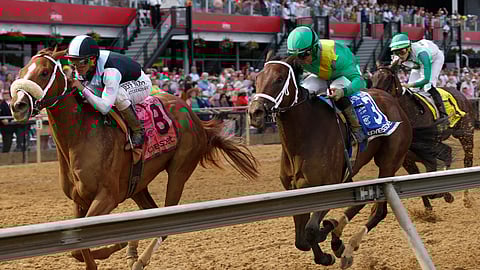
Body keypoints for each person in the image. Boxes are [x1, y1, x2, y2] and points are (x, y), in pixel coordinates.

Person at [66, 35, 152, 149]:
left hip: (140, 83)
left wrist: (82, 89)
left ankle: (139, 132)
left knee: (118, 96)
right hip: (117, 80)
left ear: (93, 60)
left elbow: (105, 107)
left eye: (81, 62)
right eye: (72, 61)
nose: (77, 67)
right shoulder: (86, 65)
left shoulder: (111, 71)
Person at [286, 26, 368, 145]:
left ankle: (356, 128)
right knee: (304, 91)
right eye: (296, 56)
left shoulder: (338, 57)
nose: (300, 60)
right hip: (322, 75)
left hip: (342, 75)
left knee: (333, 92)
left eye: (304, 55)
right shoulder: (299, 57)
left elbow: (360, 81)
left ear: (314, 49)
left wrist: (343, 91)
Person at [389, 33, 447, 118]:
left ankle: (442, 112)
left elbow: (425, 79)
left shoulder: (422, 54)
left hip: (434, 59)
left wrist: (408, 84)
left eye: (402, 52)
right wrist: (393, 66)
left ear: (408, 48)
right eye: (396, 52)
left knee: (428, 86)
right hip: (416, 62)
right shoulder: (397, 56)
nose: (399, 55)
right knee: (412, 90)